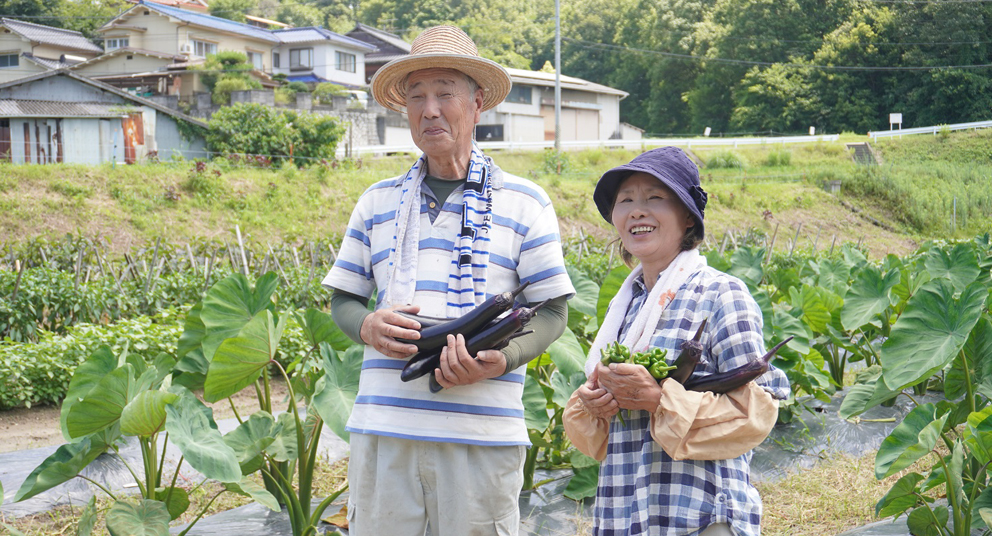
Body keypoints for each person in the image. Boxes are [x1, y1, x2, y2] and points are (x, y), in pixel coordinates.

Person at [320, 25, 575, 536]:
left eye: (444, 94)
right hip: (384, 432)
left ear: (477, 103)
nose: (429, 110)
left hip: (482, 435)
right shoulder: (377, 201)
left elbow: (552, 311)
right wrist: (368, 326)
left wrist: (501, 359)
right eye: (417, 97)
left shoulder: (525, 201)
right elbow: (344, 298)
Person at [562, 147, 790, 536]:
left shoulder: (720, 294)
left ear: (688, 217)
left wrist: (658, 400)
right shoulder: (625, 310)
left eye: (654, 198)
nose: (637, 211)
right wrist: (596, 404)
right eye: (626, 201)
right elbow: (599, 440)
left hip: (700, 516)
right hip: (625, 511)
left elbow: (756, 413)